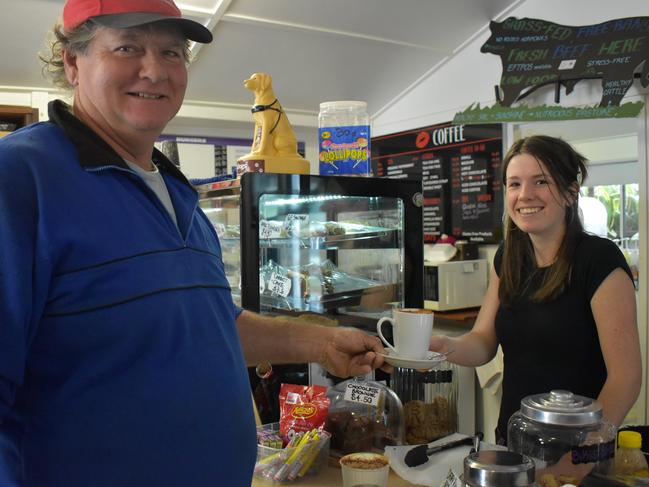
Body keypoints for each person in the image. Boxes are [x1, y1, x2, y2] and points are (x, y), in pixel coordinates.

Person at [0, 1, 385, 486]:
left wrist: (321, 341)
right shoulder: (18, 178)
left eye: (172, 52)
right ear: (72, 62)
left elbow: (210, 325)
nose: (154, 70)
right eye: (127, 47)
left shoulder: (177, 191)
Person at [430, 135, 641, 445]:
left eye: (540, 181)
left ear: (571, 192)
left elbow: (626, 378)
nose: (525, 195)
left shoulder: (598, 260)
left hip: (578, 448)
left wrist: (581, 457)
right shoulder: (508, 257)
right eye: (514, 184)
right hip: (513, 442)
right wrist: (441, 345)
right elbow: (483, 342)